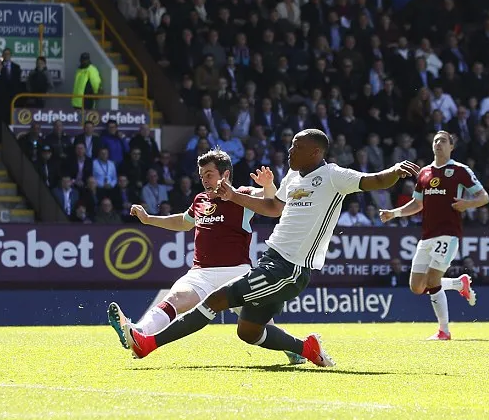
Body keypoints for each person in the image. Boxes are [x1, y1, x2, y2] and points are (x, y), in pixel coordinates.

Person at [120, 129, 419, 366]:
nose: (289, 151)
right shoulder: (291, 177)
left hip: (289, 269)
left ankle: (148, 344)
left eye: (297, 147)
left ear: (315, 152)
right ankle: (307, 348)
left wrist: (395, 170)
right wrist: (241, 196)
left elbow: (374, 181)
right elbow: (274, 205)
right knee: (247, 331)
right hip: (272, 261)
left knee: (213, 302)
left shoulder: (333, 176)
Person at [108, 151, 303, 365]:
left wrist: (267, 184)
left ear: (225, 174)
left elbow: (270, 201)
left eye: (209, 174)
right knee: (175, 299)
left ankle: (293, 347)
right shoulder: (200, 200)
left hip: (237, 274)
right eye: (202, 176)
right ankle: (137, 333)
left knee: (260, 326)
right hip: (201, 274)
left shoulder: (242, 195)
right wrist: (148, 219)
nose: (204, 180)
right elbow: (183, 222)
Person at [379, 131, 489, 340]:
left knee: (432, 279)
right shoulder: (424, 173)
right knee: (417, 286)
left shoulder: (460, 171)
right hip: (427, 236)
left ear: (451, 147)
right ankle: (458, 284)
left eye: (443, 141)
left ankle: (444, 331)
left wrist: (469, 203)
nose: (439, 143)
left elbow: (484, 196)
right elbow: (417, 204)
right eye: (436, 140)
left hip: (448, 234)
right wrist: (394, 213)